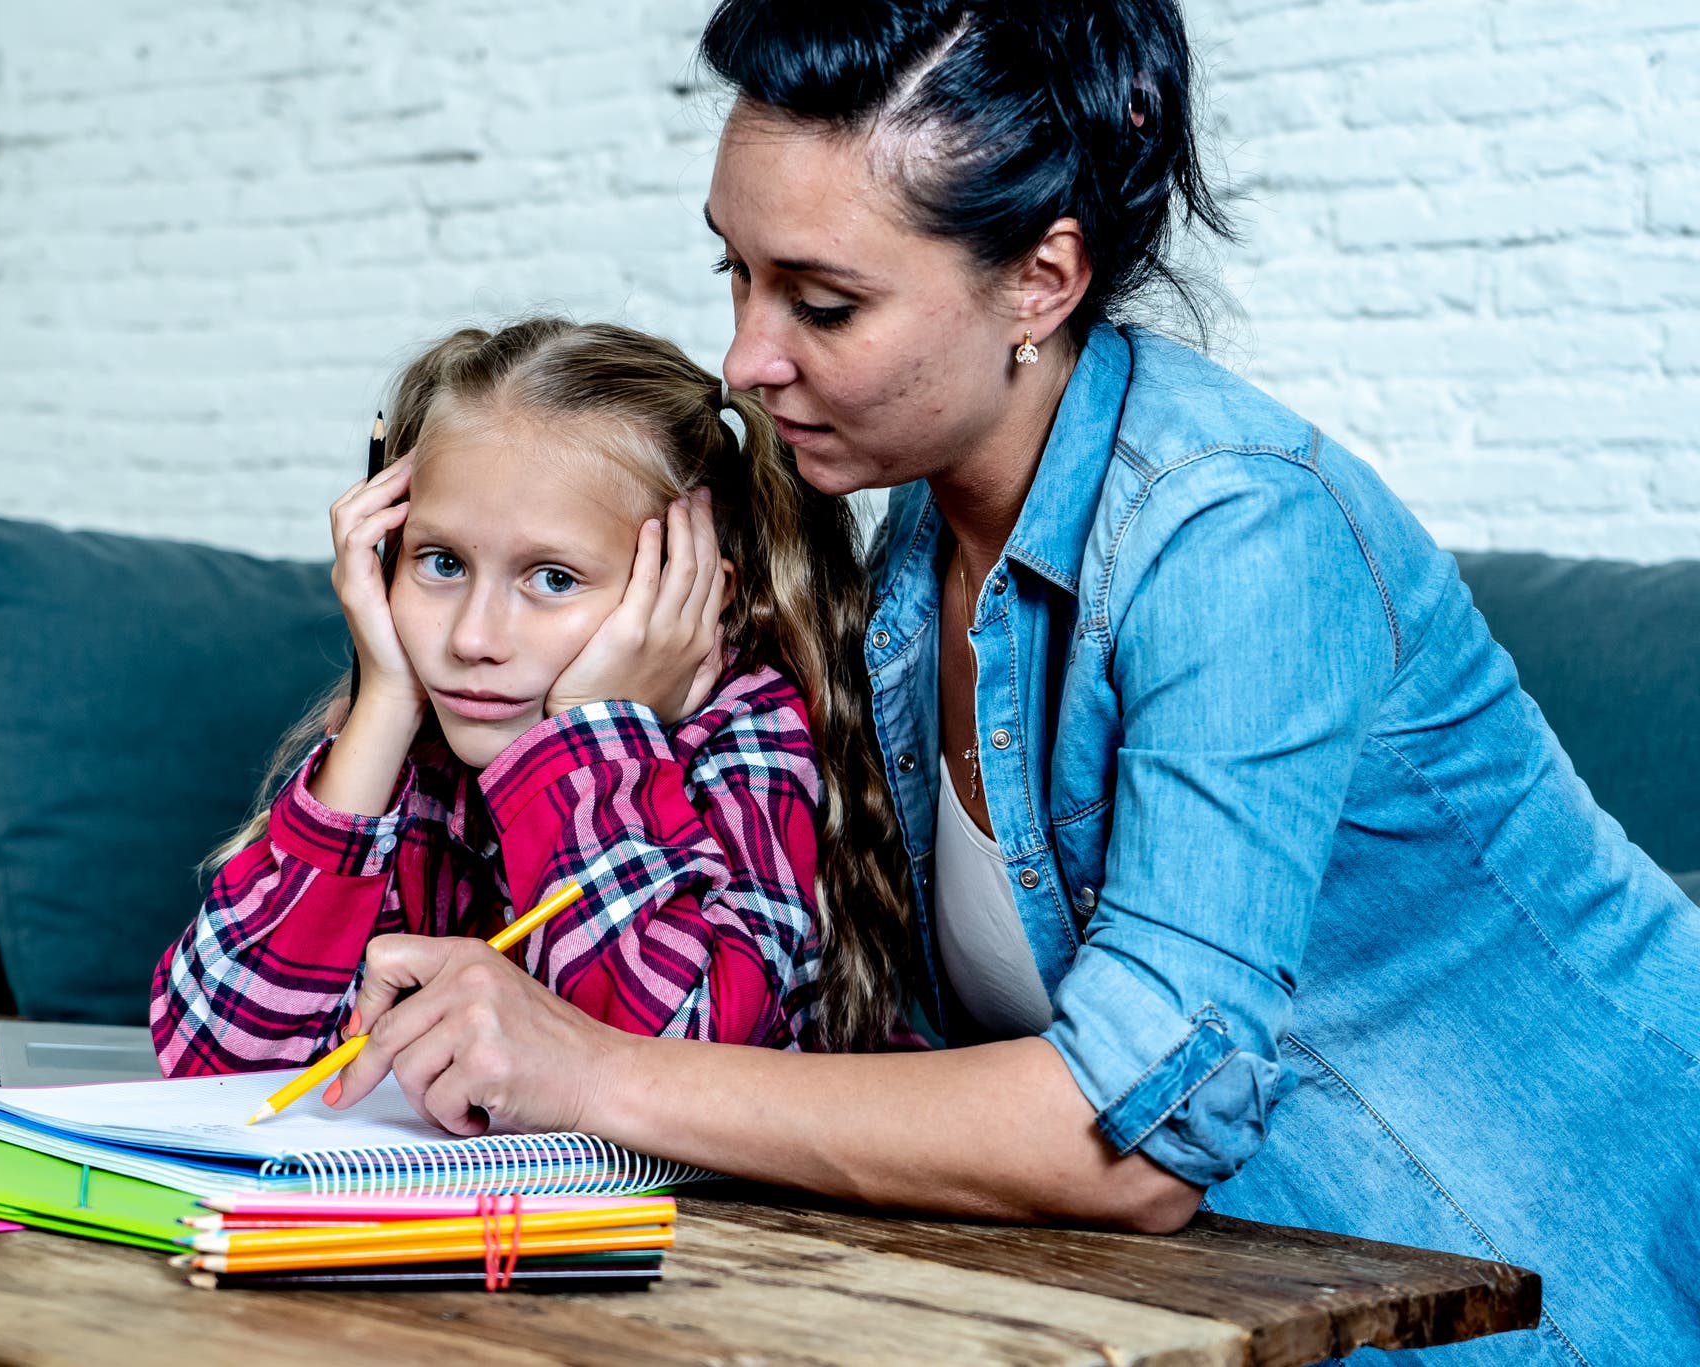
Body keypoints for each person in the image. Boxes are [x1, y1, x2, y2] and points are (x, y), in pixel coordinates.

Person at [317, 4, 1700, 1363]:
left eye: (825, 299)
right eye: (735, 274)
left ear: (1042, 280)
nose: (746, 356)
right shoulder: (916, 539)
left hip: (1537, 1279)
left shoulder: (1237, 534)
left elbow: (1140, 1134)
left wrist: (585, 1068)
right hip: (1216, 1293)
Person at [150, 318, 916, 1080]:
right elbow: (218, 1056)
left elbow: (670, 1075)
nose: (472, 637)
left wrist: (586, 736)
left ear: (691, 593)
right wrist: (383, 699)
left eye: (552, 578)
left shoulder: (748, 738)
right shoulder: (422, 743)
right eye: (441, 562)